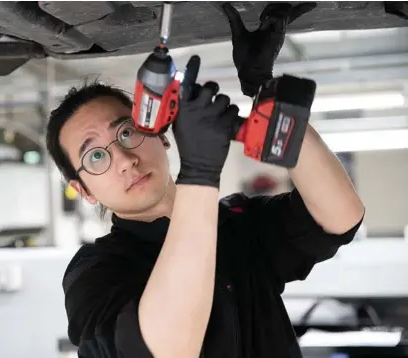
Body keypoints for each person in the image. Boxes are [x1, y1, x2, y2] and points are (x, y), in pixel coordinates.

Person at [46, 4, 364, 358]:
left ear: (161, 134)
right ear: (85, 191)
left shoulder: (238, 224)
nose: (123, 160)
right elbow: (165, 350)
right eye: (95, 157)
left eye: (126, 132)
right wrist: (199, 171)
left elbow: (341, 216)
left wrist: (265, 89)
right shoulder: (94, 272)